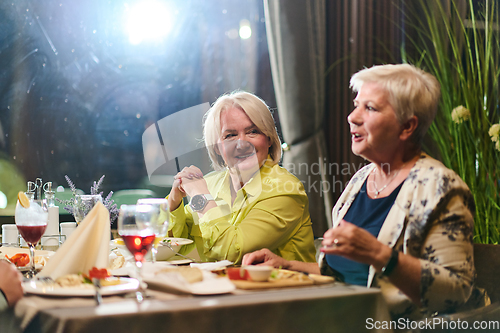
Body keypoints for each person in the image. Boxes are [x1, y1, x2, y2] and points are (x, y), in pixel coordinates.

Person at [242, 64, 488, 319]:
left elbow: (456, 291)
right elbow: (349, 273)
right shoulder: (362, 179)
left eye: (370, 108)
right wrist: (287, 265)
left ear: (407, 127)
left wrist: (379, 254)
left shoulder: (442, 187)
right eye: (356, 104)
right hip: (342, 317)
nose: (352, 116)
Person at [167, 91, 316, 264]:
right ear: (217, 148)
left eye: (253, 131)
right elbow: (173, 247)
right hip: (221, 288)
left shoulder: (285, 189)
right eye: (230, 135)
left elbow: (232, 254)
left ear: (269, 139)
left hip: (280, 289)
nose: (242, 143)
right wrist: (174, 201)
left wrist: (201, 197)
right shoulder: (210, 183)